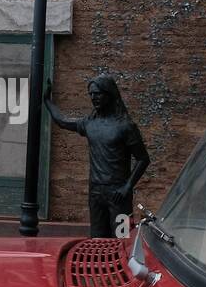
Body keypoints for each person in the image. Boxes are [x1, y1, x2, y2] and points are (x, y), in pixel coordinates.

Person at [45, 75, 150, 238]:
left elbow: (143, 159)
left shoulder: (125, 126)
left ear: (109, 94)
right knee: (97, 239)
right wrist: (47, 101)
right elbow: (63, 121)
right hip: (96, 192)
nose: (94, 98)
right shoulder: (89, 123)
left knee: (121, 239)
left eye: (98, 93)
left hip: (118, 194)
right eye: (91, 94)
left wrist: (127, 187)